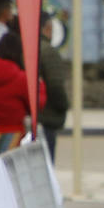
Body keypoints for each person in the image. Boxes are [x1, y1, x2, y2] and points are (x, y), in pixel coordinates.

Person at [0, 32, 45, 155]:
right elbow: (36, 103)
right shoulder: (20, 78)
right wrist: (40, 85)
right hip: (12, 131)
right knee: (7, 170)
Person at [36, 18, 70, 163]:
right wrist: (64, 106)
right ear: (47, 28)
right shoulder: (48, 52)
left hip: (28, 116)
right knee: (45, 165)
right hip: (46, 116)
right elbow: (55, 85)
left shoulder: (23, 46)